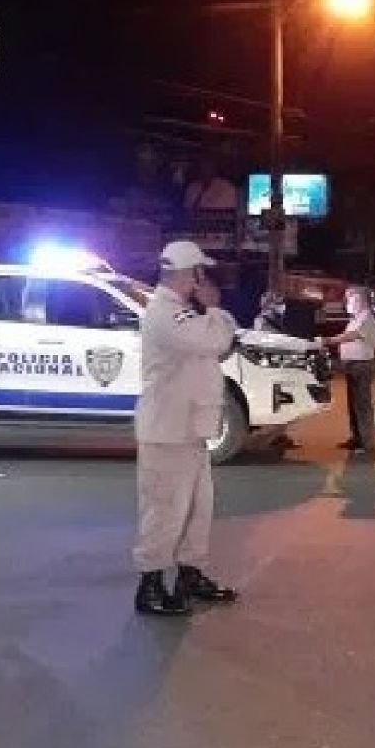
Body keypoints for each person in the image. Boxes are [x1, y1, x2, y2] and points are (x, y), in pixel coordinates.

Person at [132, 240, 241, 617]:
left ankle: (190, 575)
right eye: (201, 272)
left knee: (198, 508)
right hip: (168, 432)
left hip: (188, 431)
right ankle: (150, 585)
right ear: (189, 273)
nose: (204, 279)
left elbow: (219, 344)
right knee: (164, 510)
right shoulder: (166, 313)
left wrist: (210, 314)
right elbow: (218, 338)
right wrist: (215, 310)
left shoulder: (179, 311)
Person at [323, 287, 375, 453]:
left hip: (361, 365)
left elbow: (351, 336)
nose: (348, 302)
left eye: (351, 299)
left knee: (362, 405)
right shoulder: (355, 319)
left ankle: (367, 442)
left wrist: (329, 340)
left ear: (361, 300)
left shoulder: (366, 318)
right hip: (351, 365)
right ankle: (357, 438)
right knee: (353, 405)